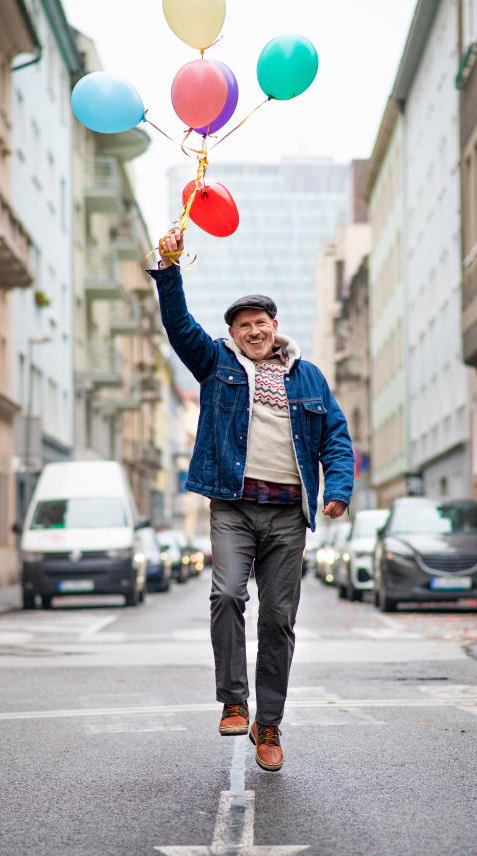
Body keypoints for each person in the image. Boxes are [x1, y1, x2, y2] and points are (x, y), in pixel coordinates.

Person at [148, 229, 354, 772]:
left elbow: (335, 435)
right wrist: (169, 270)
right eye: (244, 326)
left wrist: (338, 489)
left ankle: (270, 724)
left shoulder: (308, 376)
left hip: (289, 512)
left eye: (262, 323)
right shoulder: (215, 364)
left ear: (275, 327)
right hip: (234, 506)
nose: (255, 331)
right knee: (225, 595)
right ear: (234, 335)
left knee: (279, 620)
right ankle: (235, 701)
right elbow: (179, 327)